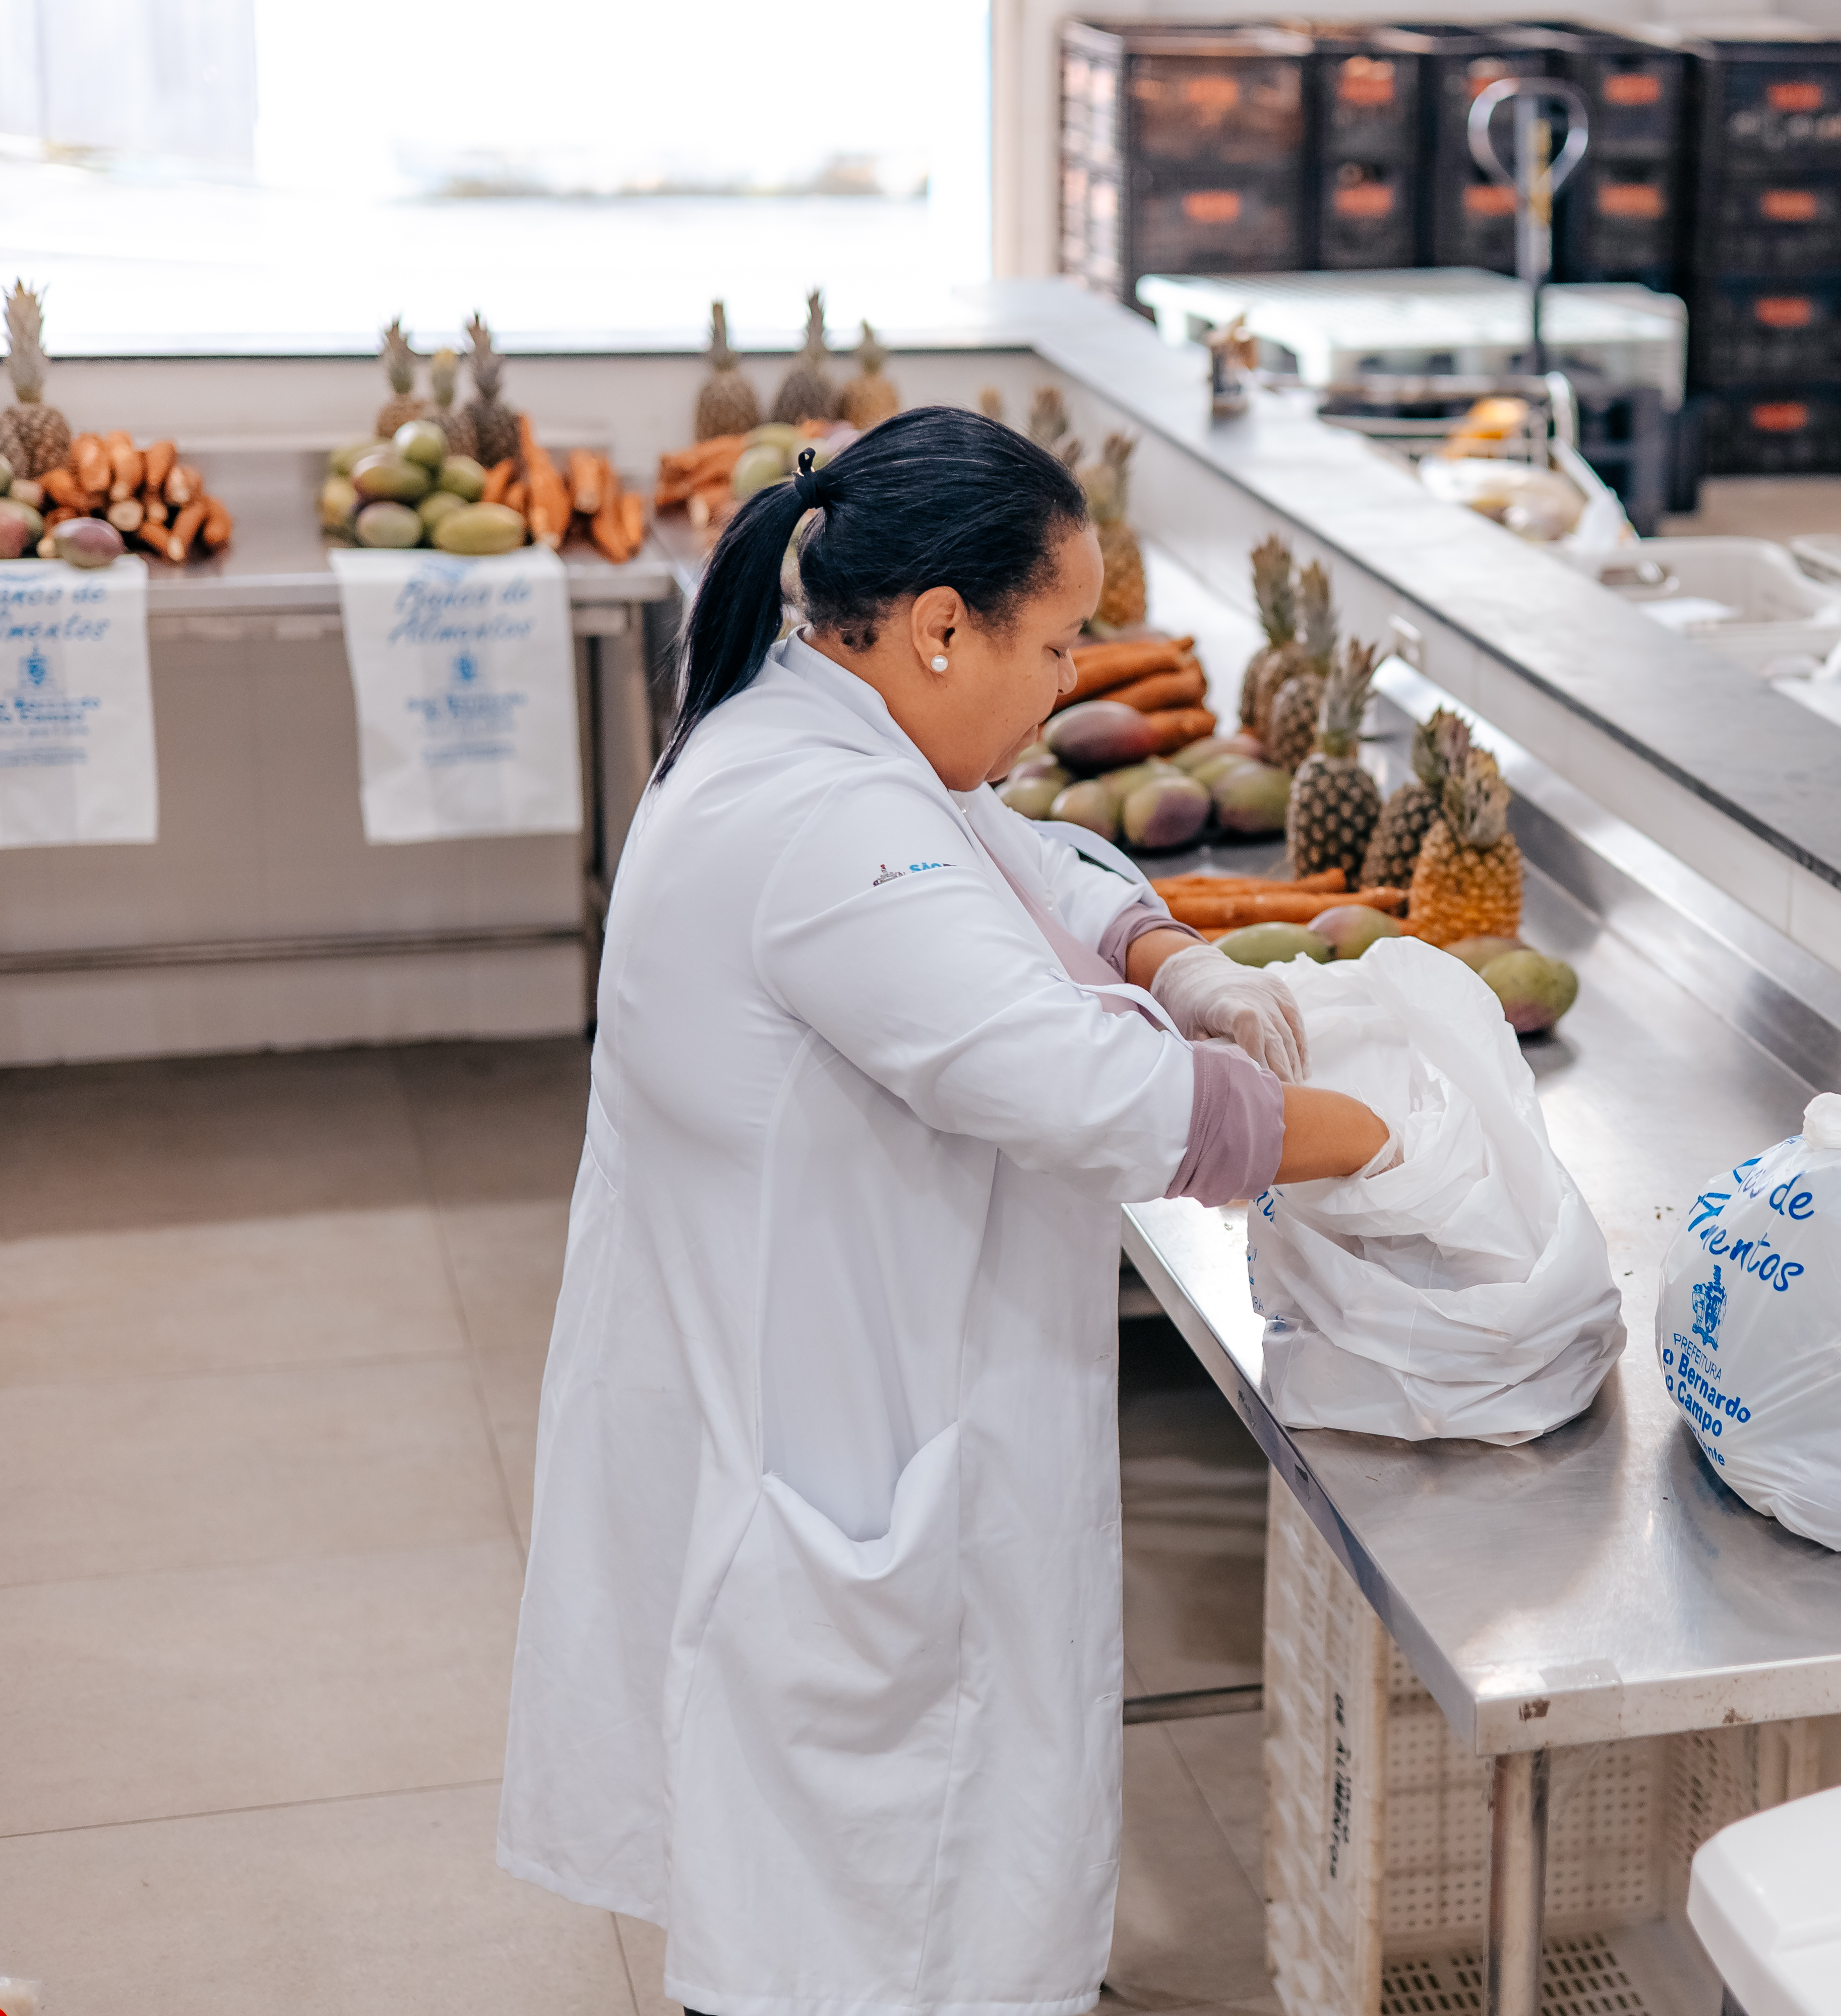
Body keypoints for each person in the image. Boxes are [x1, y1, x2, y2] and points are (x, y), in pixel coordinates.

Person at [496, 408, 1389, 2016]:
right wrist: (1390, 1136)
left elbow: (1004, 851)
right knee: (863, 1908)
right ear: (935, 629)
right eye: (1054, 643)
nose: (1066, 682)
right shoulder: (824, 817)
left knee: (918, 1881)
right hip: (843, 1446)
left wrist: (1159, 949)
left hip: (834, 1387)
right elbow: (1075, 1090)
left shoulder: (820, 733)